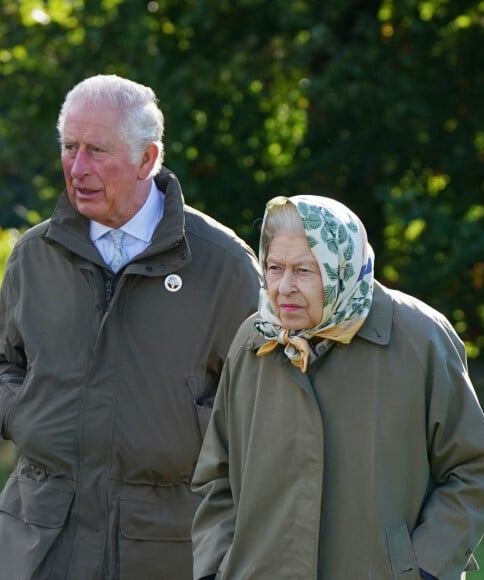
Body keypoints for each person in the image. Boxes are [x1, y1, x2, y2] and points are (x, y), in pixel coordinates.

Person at [0, 74, 260, 580]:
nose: (77, 168)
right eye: (69, 147)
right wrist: (24, 412)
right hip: (38, 542)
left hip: (165, 548)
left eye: (97, 150)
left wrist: (191, 428)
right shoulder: (33, 256)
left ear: (147, 159)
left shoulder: (223, 265)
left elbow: (265, 396)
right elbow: (5, 363)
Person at [191, 195, 484, 580]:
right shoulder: (253, 340)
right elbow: (216, 478)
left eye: (304, 271)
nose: (284, 287)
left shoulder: (420, 339)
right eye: (274, 268)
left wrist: (424, 569)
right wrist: (216, 569)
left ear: (341, 267)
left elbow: (473, 471)